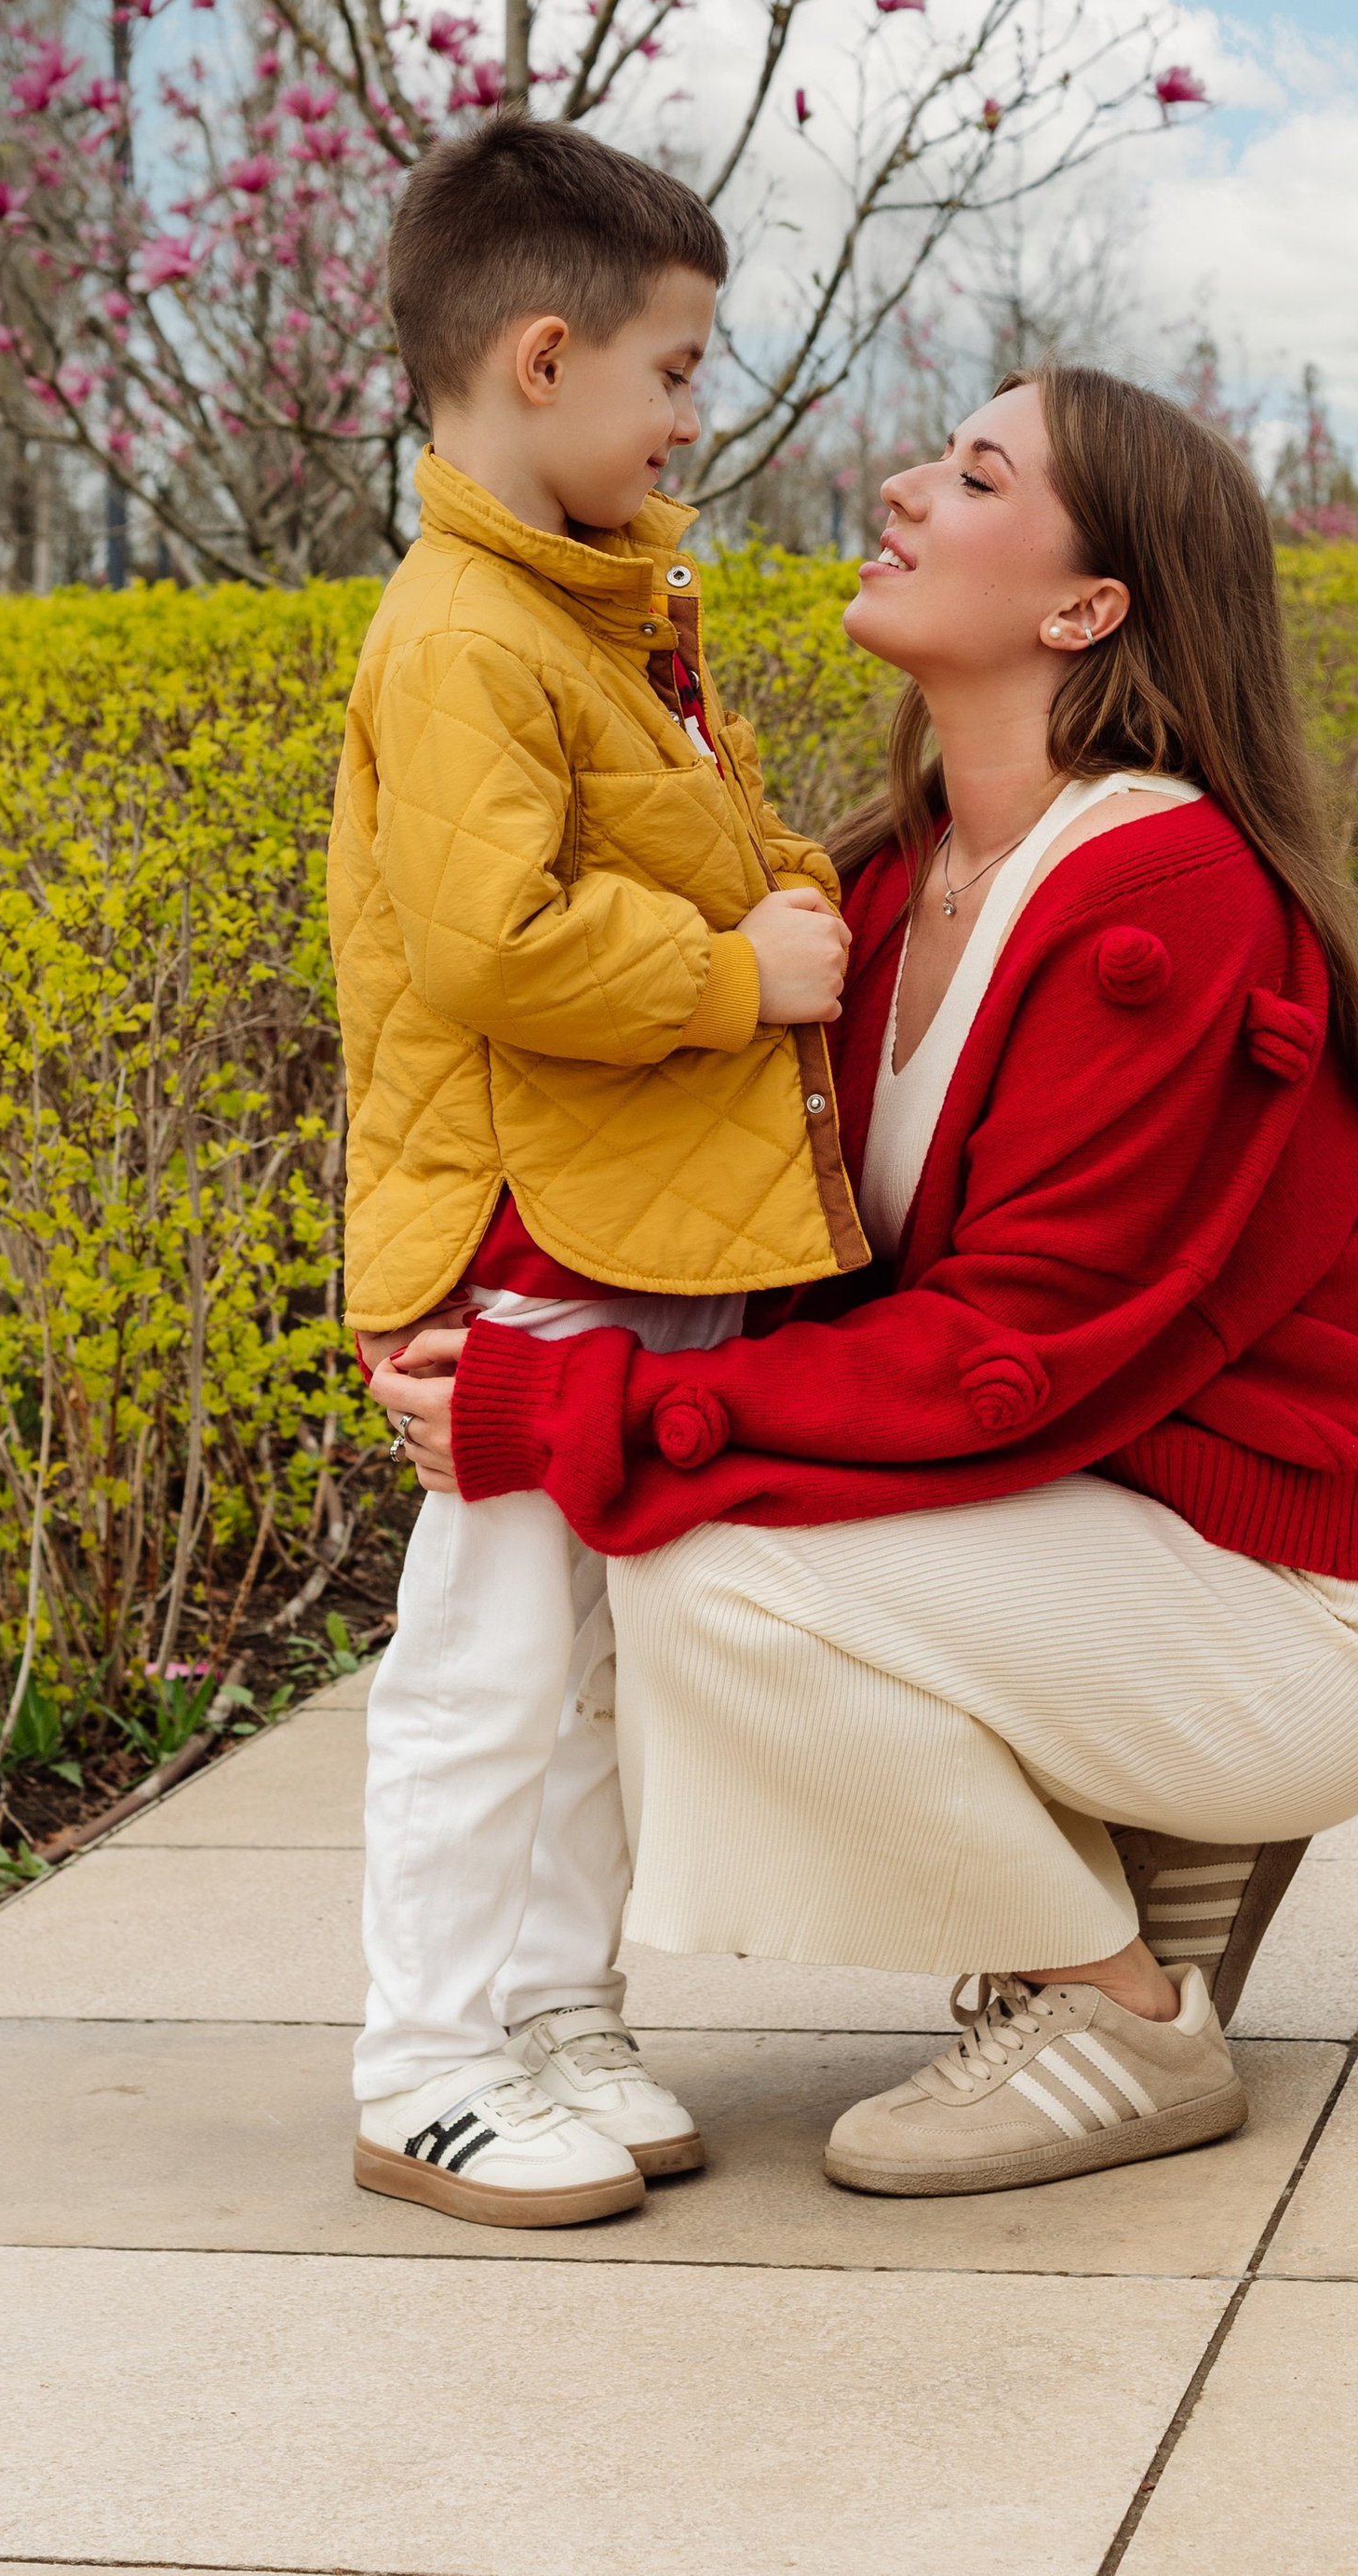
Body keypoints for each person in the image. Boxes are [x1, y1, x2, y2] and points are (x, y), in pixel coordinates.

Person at [378, 365, 1358, 2203]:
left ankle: (1112, 2005)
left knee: (703, 1568)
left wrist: (580, 1410)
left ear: (1085, 609)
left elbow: (1008, 1353)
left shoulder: (1165, 899)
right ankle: (1151, 1843)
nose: (904, 488)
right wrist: (476, 1304)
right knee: (693, 1512)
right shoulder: (889, 887)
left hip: (1306, 1595)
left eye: (977, 475)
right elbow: (716, 1199)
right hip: (1114, 1541)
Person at [332, 115, 866, 2227]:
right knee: (486, 1665)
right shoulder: (466, 631)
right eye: (674, 371)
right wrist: (739, 976)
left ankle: (554, 2010)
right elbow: (494, 944)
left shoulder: (592, 608)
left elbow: (680, 842)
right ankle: (427, 2062)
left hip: (611, 1214)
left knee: (589, 1668)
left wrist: (780, 898)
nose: (690, 418)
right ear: (541, 358)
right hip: (522, 1228)